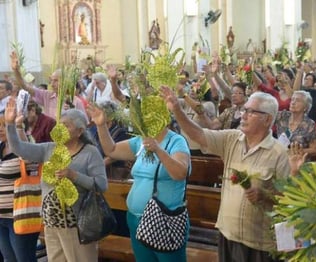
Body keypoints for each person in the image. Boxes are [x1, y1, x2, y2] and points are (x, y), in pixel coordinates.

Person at [160, 86, 290, 262]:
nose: (243, 115)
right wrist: (176, 109)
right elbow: (198, 134)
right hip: (227, 235)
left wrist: (265, 196)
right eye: (244, 110)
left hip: (259, 243)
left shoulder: (279, 153)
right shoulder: (232, 139)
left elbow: (288, 201)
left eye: (251, 112)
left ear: (267, 119)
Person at [5, 98, 107, 261]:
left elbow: (101, 185)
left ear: (80, 131)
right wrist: (10, 125)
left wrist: (74, 175)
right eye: (60, 123)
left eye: (67, 125)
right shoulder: (49, 148)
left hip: (78, 225)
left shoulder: (90, 152)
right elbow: (20, 149)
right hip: (52, 222)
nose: (61, 128)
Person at [86, 102, 191, 261]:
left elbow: (180, 173)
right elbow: (112, 150)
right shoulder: (141, 141)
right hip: (136, 218)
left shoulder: (176, 141)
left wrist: (158, 150)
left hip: (164, 220)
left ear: (163, 118)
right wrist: (101, 126)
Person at [0, 113, 39, 262]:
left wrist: (17, 128)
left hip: (20, 216)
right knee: (9, 259)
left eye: (5, 125)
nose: (1, 129)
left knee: (24, 259)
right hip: (1, 217)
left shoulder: (22, 148)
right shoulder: (1, 146)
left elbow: (32, 157)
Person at [10, 52, 87, 120]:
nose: (52, 84)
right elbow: (25, 86)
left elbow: (84, 125)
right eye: (51, 80)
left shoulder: (76, 101)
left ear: (66, 82)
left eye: (56, 80)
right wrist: (16, 70)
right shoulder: (47, 95)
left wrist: (73, 114)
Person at [276, 90, 316, 158]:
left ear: (305, 107)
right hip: (279, 159)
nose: (293, 102)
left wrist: (295, 152)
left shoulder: (309, 124)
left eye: (298, 100)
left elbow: (315, 149)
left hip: (298, 161)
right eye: (292, 99)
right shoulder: (282, 116)